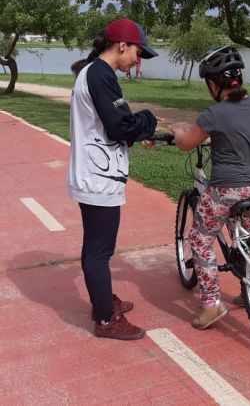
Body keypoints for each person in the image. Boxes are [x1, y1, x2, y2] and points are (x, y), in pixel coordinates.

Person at [170, 46, 250, 330]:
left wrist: (177, 130)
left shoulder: (214, 114)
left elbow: (185, 143)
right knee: (245, 238)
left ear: (213, 84)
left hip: (224, 190)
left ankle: (212, 303)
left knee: (200, 239)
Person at [69, 18, 159, 340]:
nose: (138, 60)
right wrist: (148, 119)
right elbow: (120, 127)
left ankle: (103, 302)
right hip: (98, 179)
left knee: (96, 249)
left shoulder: (96, 72)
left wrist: (138, 130)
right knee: (98, 252)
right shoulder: (99, 74)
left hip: (97, 174)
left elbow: (114, 122)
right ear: (122, 45)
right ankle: (106, 319)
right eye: (137, 52)